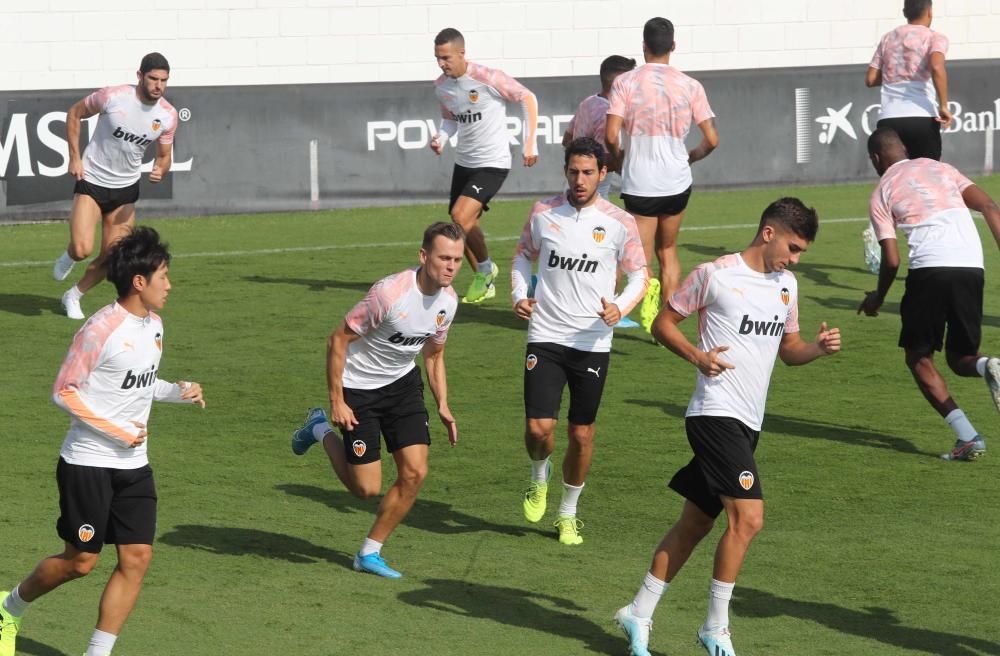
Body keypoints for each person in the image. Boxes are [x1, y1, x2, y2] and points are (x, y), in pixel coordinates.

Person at [612, 198, 841, 656]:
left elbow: (789, 348)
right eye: (793, 248)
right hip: (714, 414)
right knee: (749, 518)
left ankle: (637, 611)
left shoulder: (787, 287)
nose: (795, 260)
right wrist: (698, 356)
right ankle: (715, 627)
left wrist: (817, 348)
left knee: (695, 523)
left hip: (748, 423)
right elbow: (662, 324)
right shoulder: (715, 275)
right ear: (769, 233)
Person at [0, 226, 205, 656]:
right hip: (87, 463)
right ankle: (9, 606)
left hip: (134, 467)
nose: (169, 284)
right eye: (163, 275)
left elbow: (137, 384)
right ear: (138, 281)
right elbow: (63, 390)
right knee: (81, 561)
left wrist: (177, 390)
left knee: (136, 559)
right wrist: (118, 431)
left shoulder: (154, 325)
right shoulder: (101, 328)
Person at [290, 222, 464, 578]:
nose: (451, 266)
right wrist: (337, 400)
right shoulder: (390, 294)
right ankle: (319, 427)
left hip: (402, 386)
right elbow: (337, 341)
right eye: (444, 257)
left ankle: (369, 552)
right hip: (358, 390)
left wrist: (443, 403)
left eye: (458, 260)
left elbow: (433, 355)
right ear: (423, 255)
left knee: (415, 472)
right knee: (365, 489)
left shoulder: (449, 302)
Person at [512, 137, 647, 545]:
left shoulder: (620, 222)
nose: (580, 179)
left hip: (592, 341)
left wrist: (620, 308)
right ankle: (540, 475)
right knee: (538, 429)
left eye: (588, 172)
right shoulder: (543, 212)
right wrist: (519, 294)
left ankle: (568, 513)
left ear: (603, 174)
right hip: (546, 334)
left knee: (582, 434)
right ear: (565, 171)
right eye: (573, 171)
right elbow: (522, 254)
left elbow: (640, 274)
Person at [859, 127, 1000, 461]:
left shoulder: (882, 191)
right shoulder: (942, 168)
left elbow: (891, 259)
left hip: (930, 269)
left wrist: (878, 297)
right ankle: (988, 365)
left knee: (919, 357)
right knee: (961, 358)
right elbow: (990, 206)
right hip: (971, 266)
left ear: (876, 159)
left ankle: (968, 436)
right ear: (905, 149)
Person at [606, 17, 718, 335]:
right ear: (673, 47)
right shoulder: (690, 85)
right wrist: (690, 157)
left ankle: (645, 295)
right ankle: (668, 326)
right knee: (668, 250)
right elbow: (712, 139)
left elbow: (611, 134)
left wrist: (617, 159)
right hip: (676, 180)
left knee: (638, 259)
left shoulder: (625, 83)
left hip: (640, 182)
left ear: (643, 47)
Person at [53, 52, 178, 321]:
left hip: (126, 190)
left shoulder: (167, 115)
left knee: (114, 257)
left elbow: (165, 156)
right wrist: (74, 157)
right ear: (140, 76)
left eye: (164, 81)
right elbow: (74, 114)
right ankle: (71, 254)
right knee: (82, 249)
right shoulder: (112, 96)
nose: (158, 85)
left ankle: (73, 296)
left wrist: (160, 168)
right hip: (93, 180)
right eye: (153, 78)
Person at [430, 27, 539, 304]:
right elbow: (451, 119)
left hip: (493, 162)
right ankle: (485, 274)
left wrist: (530, 143)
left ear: (461, 53)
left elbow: (527, 97)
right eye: (438, 58)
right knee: (466, 222)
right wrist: (441, 138)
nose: (442, 64)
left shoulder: (488, 77)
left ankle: (485, 270)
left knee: (458, 216)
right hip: (463, 162)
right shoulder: (441, 85)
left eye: (446, 58)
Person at [865, 0, 952, 160]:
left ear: (905, 12)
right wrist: (944, 106)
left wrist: (896, 74)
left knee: (896, 180)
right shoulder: (935, 37)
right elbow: (937, 67)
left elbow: (870, 79)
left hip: (889, 119)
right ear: (930, 11)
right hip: (922, 117)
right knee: (926, 177)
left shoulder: (887, 38)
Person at [562, 55, 637, 200]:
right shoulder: (609, 113)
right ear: (620, 83)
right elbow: (602, 161)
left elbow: (567, 139)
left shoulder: (588, 102)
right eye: (631, 81)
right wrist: (627, 163)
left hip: (574, 187)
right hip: (592, 195)